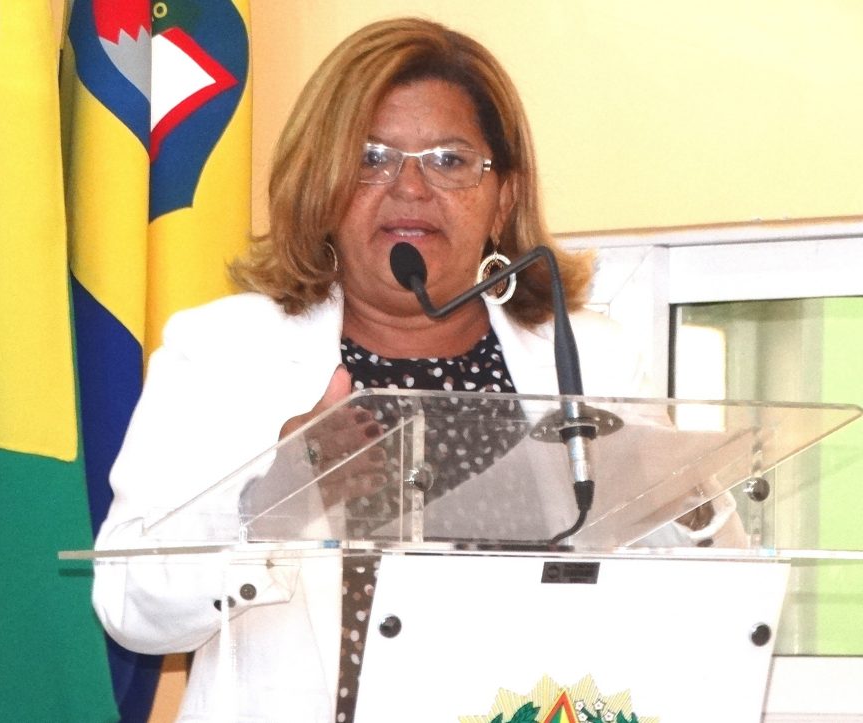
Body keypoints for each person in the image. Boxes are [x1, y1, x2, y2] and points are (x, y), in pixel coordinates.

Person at [91, 17, 730, 722]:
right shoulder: (225, 351)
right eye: (371, 157)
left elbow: (711, 600)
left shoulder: (589, 358)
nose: (411, 188)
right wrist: (275, 500)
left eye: (450, 160)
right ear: (321, 185)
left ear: (503, 196)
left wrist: (685, 492)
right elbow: (130, 604)